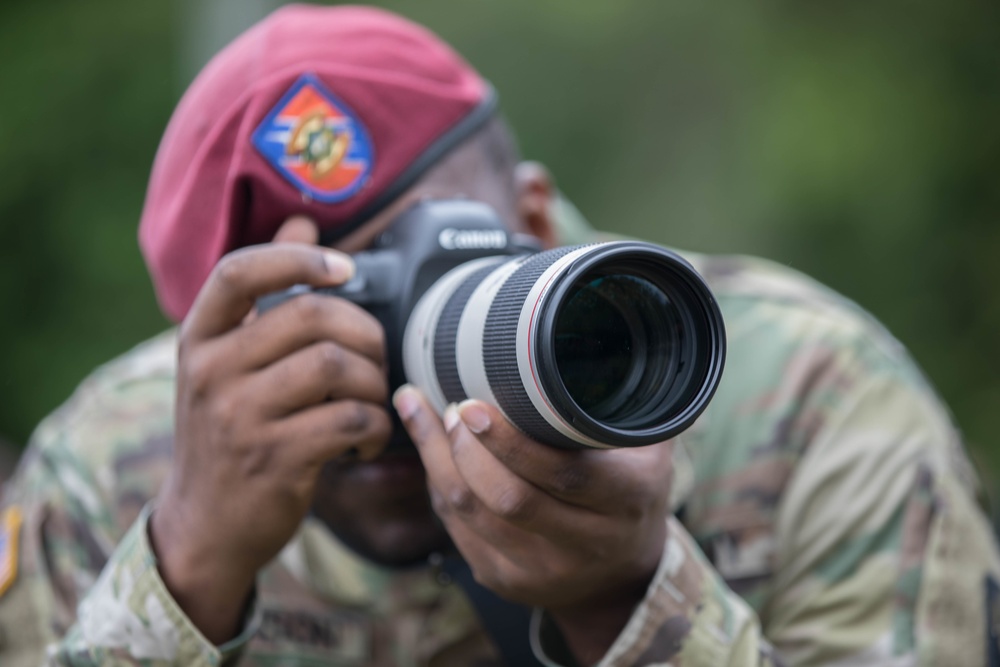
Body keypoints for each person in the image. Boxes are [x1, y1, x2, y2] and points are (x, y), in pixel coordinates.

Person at [1, 5, 998, 666]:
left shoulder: (803, 394)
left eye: (420, 277)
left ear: (528, 218)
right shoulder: (115, 462)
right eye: (301, 322)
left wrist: (630, 602)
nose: (383, 374)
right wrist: (186, 571)